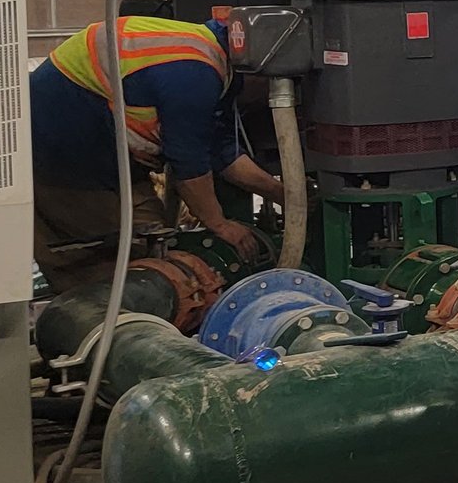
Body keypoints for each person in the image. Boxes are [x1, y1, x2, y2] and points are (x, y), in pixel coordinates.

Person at [32, 16, 283, 289]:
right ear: (261, 73)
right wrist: (219, 224)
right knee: (115, 273)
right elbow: (189, 161)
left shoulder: (211, 58)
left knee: (152, 244)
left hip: (108, 159)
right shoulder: (195, 71)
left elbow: (221, 152)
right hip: (65, 156)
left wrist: (285, 195)